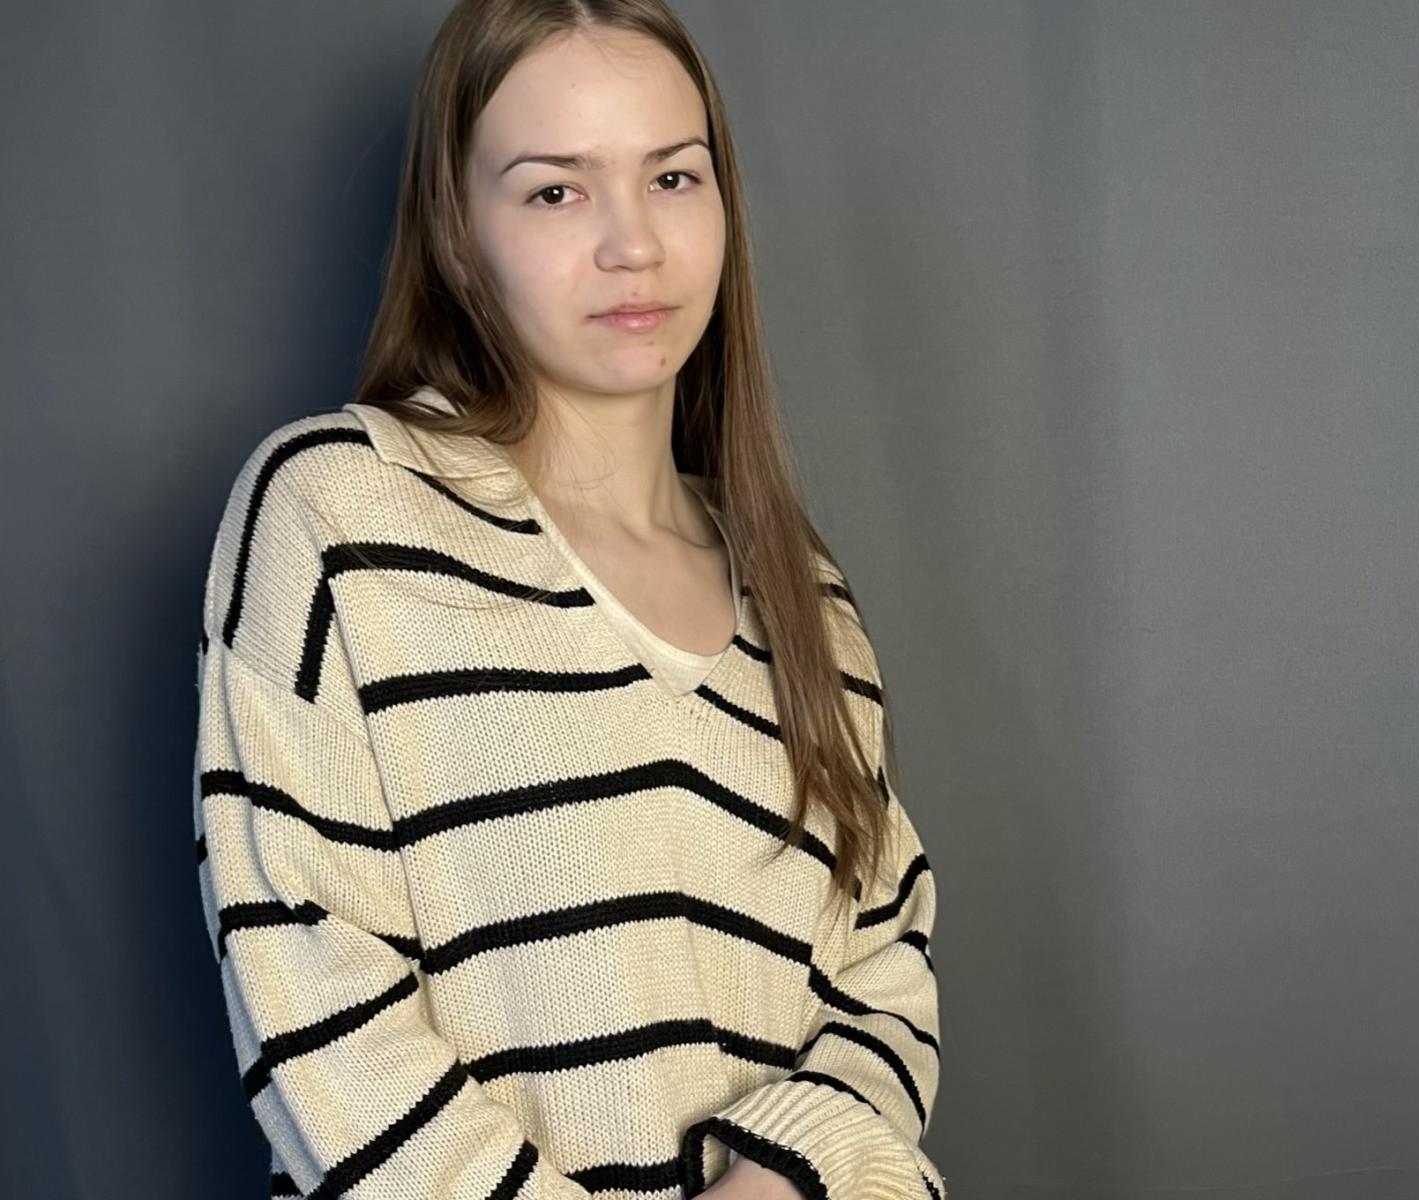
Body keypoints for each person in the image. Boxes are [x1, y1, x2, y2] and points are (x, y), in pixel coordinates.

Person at [190, 2, 945, 1198]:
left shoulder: (801, 588)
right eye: (555, 191)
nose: (632, 243)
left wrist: (787, 1176)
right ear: (456, 230)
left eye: (673, 177)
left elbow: (883, 964)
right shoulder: (339, 513)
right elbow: (312, 994)